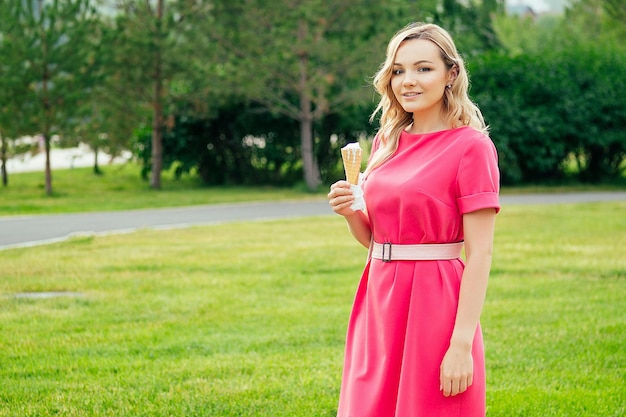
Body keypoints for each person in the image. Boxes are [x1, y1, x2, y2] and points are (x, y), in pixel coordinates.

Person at [327, 22, 500, 417]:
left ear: (450, 74)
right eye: (399, 70)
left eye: (423, 69)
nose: (408, 81)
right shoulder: (387, 142)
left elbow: (481, 253)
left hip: (435, 301)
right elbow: (375, 239)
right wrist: (352, 211)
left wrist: (460, 344)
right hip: (378, 295)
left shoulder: (472, 147)